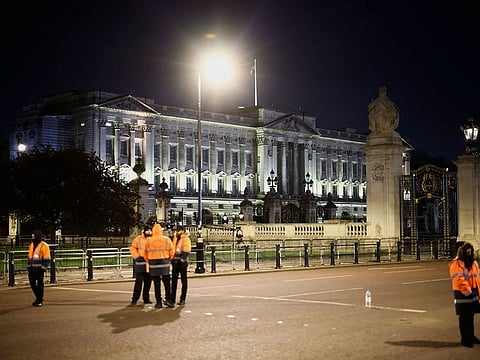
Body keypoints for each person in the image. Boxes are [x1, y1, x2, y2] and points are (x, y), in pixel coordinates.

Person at [449, 242, 480, 347]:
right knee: (464, 318)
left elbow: (477, 277)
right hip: (463, 295)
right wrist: (468, 292)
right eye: (467, 250)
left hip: (473, 292)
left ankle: (471, 336)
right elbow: (459, 280)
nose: (469, 252)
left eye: (470, 250)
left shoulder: (473, 262)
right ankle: (465, 339)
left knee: (470, 317)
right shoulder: (456, 263)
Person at [147, 223, 175, 308]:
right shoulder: (166, 240)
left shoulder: (148, 240)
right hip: (164, 264)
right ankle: (169, 300)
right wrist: (169, 259)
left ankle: (158, 302)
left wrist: (148, 260)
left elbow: (145, 252)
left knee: (156, 285)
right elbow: (172, 251)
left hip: (153, 265)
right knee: (167, 284)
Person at [129, 225, 153, 305]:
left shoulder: (153, 239)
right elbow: (133, 248)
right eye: (148, 231)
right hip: (140, 264)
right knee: (138, 283)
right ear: (144, 231)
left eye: (150, 230)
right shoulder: (138, 239)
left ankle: (146, 298)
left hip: (149, 265)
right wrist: (136, 257)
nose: (149, 232)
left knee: (148, 283)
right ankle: (134, 299)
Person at [27, 230, 51, 307]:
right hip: (31, 268)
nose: (32, 238)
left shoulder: (44, 245)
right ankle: (38, 297)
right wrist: (28, 266)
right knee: (32, 284)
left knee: (40, 285)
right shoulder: (31, 245)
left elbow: (47, 259)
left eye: (33, 236)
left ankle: (39, 300)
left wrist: (43, 268)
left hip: (39, 269)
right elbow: (30, 256)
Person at [171, 225, 192, 305]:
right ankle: (172, 299)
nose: (176, 232)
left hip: (182, 263)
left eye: (178, 231)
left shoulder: (185, 239)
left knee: (183, 281)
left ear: (182, 231)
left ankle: (182, 299)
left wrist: (181, 260)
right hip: (175, 262)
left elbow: (186, 251)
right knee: (173, 282)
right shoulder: (176, 239)